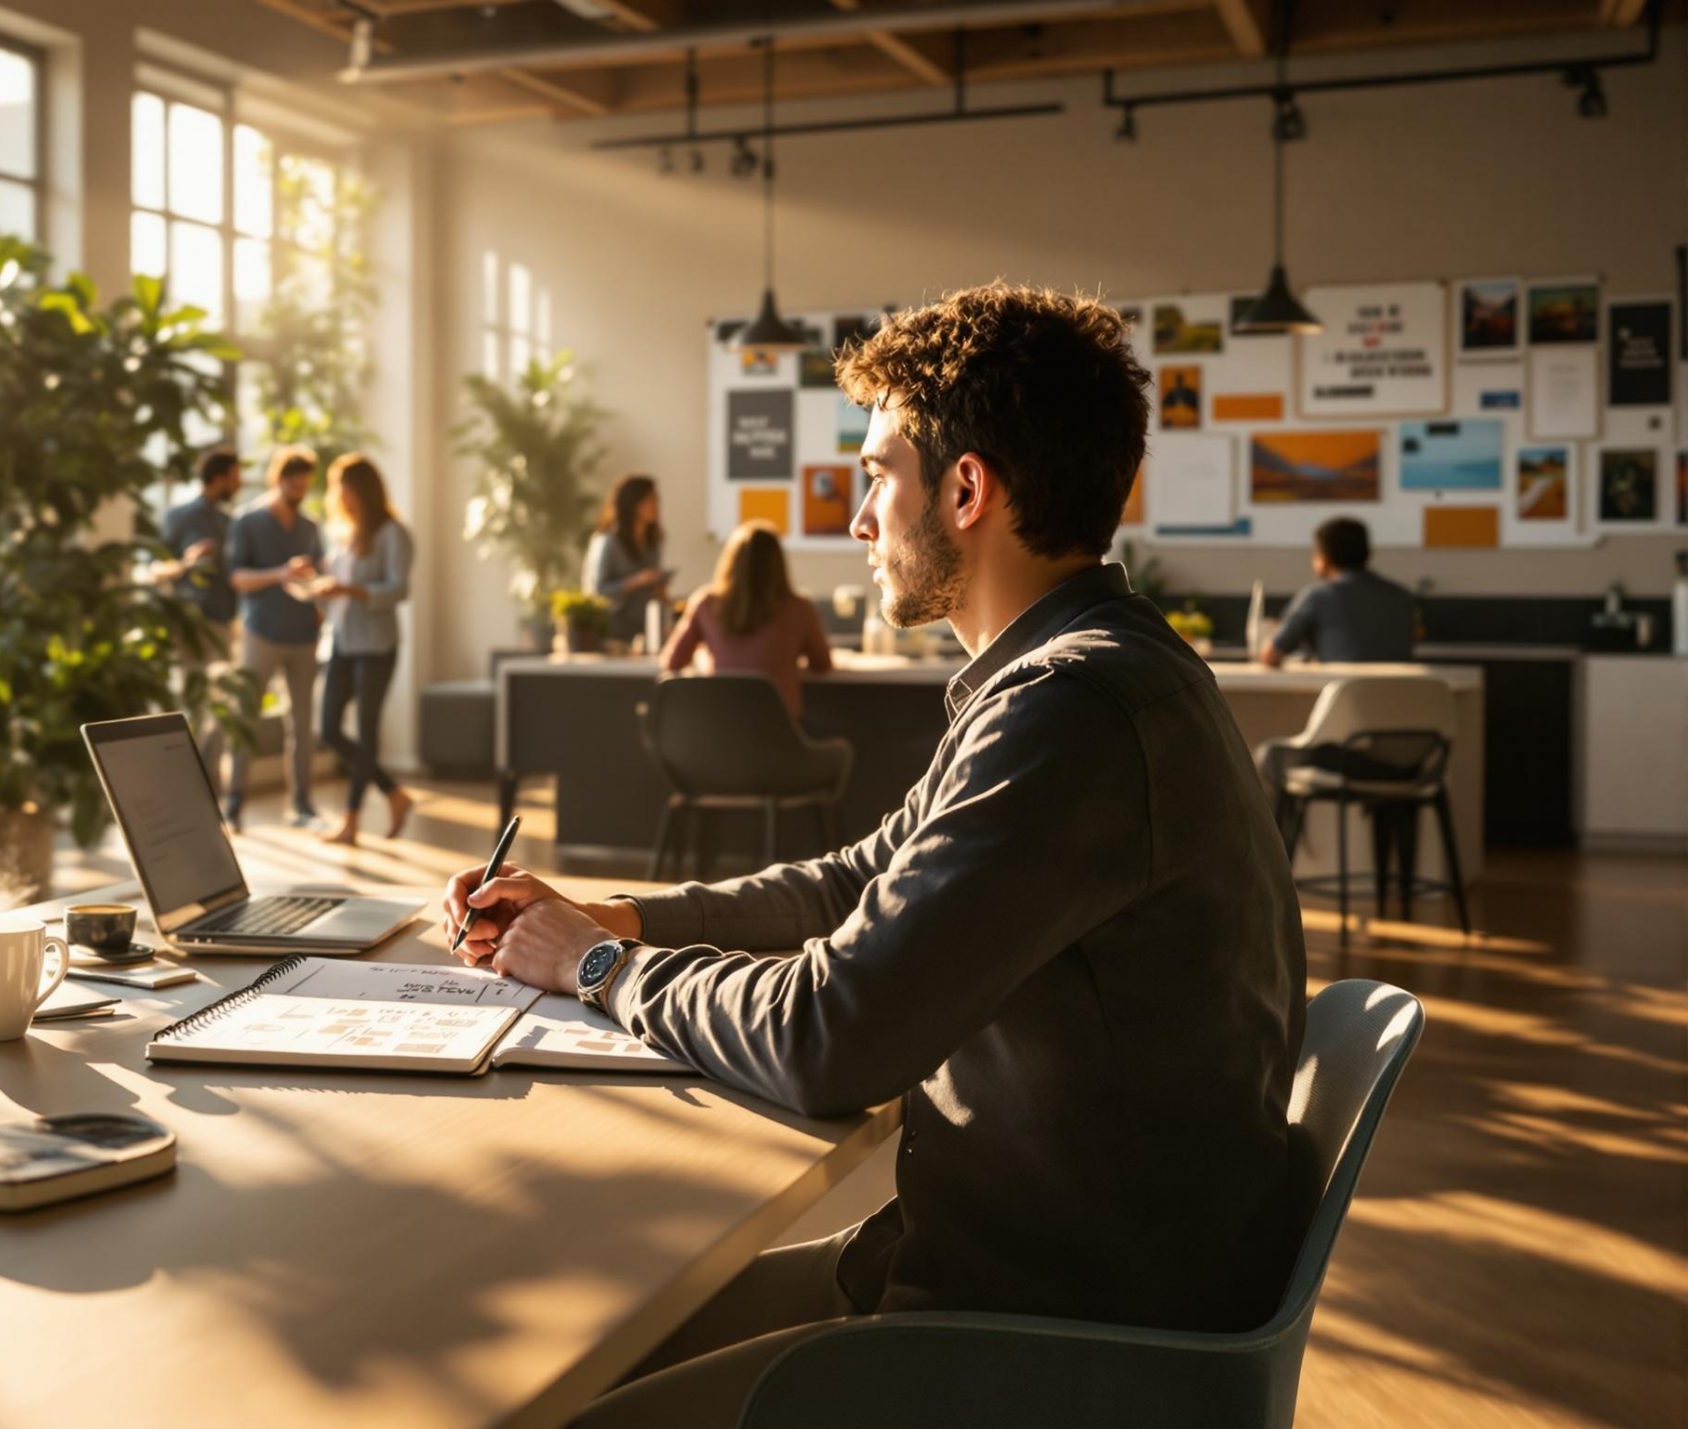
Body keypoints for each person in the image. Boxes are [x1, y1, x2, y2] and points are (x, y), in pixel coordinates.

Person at [443, 285, 1306, 1428]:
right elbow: (854, 880)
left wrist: (595, 970)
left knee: (565, 1403)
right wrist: (617, 917)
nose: (857, 520)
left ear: (965, 490)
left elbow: (831, 1037)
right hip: (1020, 1251)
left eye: (875, 475)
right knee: (611, 1345)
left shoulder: (1071, 709)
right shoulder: (1088, 668)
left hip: (1057, 1336)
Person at [310, 454, 416, 847]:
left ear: (363, 489)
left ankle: (351, 821)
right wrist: (315, 583)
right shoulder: (344, 533)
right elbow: (334, 586)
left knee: (366, 729)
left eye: (346, 488)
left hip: (376, 644)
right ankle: (394, 792)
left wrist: (351, 590)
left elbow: (399, 589)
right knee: (329, 728)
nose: (341, 496)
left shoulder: (393, 533)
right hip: (340, 641)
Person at [224, 447, 326, 830]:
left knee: (302, 723)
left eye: (304, 486)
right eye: (293, 485)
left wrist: (313, 584)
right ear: (278, 479)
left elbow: (318, 573)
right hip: (261, 632)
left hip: (303, 635)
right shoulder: (247, 520)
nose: (299, 492)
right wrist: (280, 573)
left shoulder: (310, 527)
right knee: (245, 717)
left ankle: (302, 805)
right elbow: (237, 578)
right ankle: (234, 803)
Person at [659, 521, 833, 721]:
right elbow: (822, 664)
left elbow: (672, 662)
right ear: (778, 564)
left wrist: (707, 660)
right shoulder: (800, 608)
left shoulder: (706, 604)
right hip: (779, 732)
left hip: (718, 727)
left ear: (730, 562)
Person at [158, 448, 243, 781]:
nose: (238, 484)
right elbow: (156, 569)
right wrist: (187, 562)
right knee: (189, 703)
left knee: (220, 705)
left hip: (222, 623)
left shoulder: (229, 522)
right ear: (218, 479)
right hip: (190, 625)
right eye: (234, 478)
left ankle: (210, 782)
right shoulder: (178, 517)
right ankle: (182, 780)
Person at [1260, 517, 1416, 667]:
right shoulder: (1401, 596)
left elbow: (1270, 655)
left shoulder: (1318, 595)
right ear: (1367, 553)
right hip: (1399, 686)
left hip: (1341, 686)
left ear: (1323, 559)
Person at [585, 474, 670, 646]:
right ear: (633, 504)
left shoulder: (653, 542)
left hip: (645, 633)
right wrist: (636, 581)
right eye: (650, 500)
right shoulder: (607, 541)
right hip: (614, 634)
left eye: (656, 500)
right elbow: (596, 592)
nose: (656, 506)